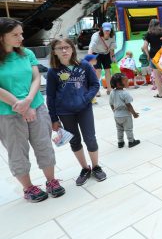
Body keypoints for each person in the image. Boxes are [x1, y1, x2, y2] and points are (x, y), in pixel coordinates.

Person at [0, 18, 65, 202]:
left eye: (21, 33)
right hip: (8, 114)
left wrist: (28, 100)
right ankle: (28, 188)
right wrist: (20, 106)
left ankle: (51, 181)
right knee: (17, 151)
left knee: (44, 145)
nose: (21, 38)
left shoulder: (27, 53)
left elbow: (36, 78)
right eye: (15, 35)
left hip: (36, 106)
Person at [46, 38, 106, 186]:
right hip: (65, 112)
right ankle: (85, 168)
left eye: (67, 47)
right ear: (54, 52)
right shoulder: (53, 72)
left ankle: (96, 166)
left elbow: (95, 84)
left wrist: (85, 99)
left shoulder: (84, 65)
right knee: (74, 140)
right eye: (60, 48)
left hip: (84, 109)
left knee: (90, 138)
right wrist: (54, 118)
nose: (64, 50)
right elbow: (50, 96)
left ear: (72, 49)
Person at [109, 73, 140, 148]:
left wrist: (114, 112)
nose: (127, 82)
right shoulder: (125, 93)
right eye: (125, 81)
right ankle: (131, 141)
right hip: (125, 115)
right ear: (118, 84)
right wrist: (134, 114)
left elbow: (111, 104)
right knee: (128, 129)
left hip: (117, 115)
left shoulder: (112, 92)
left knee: (119, 129)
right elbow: (128, 105)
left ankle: (120, 142)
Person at [142, 18, 162, 98]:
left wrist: (147, 55)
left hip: (154, 56)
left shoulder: (148, 34)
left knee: (157, 76)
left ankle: (160, 93)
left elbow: (145, 46)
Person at [88, 22, 116, 96]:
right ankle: (97, 90)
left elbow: (112, 47)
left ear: (111, 30)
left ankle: (109, 88)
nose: (107, 31)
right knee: (98, 70)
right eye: (105, 30)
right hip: (96, 53)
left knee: (108, 70)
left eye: (108, 30)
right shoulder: (96, 36)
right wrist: (89, 57)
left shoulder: (112, 36)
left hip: (106, 53)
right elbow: (91, 46)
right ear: (102, 29)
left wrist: (113, 57)